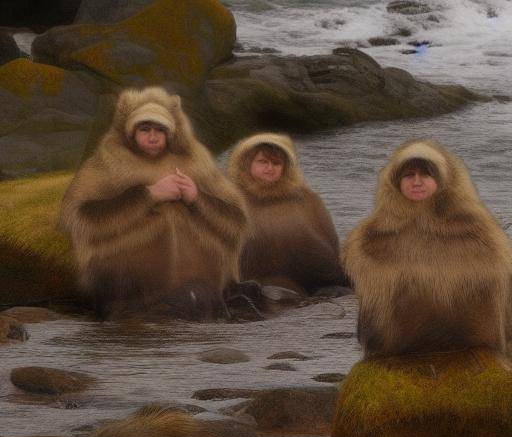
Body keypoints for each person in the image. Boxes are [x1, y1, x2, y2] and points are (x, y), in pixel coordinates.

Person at [60, 86, 249, 319]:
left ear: (170, 132)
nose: (152, 136)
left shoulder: (195, 161)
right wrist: (147, 196)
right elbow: (78, 219)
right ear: (130, 132)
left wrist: (197, 198)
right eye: (145, 129)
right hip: (127, 282)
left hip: (193, 281)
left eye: (159, 129)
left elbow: (236, 222)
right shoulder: (106, 162)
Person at [343, 138, 512, 358]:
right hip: (399, 351)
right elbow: (369, 313)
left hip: (471, 346)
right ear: (394, 182)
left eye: (426, 174)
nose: (417, 181)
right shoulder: (371, 236)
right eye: (408, 175)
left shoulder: (477, 229)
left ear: (444, 181)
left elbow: (504, 295)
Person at [227, 132, 347, 296]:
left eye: (276, 163)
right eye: (263, 162)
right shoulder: (229, 197)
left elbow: (331, 248)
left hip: (305, 286)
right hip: (247, 287)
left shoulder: (308, 200)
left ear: (286, 167)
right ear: (246, 163)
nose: (270, 168)